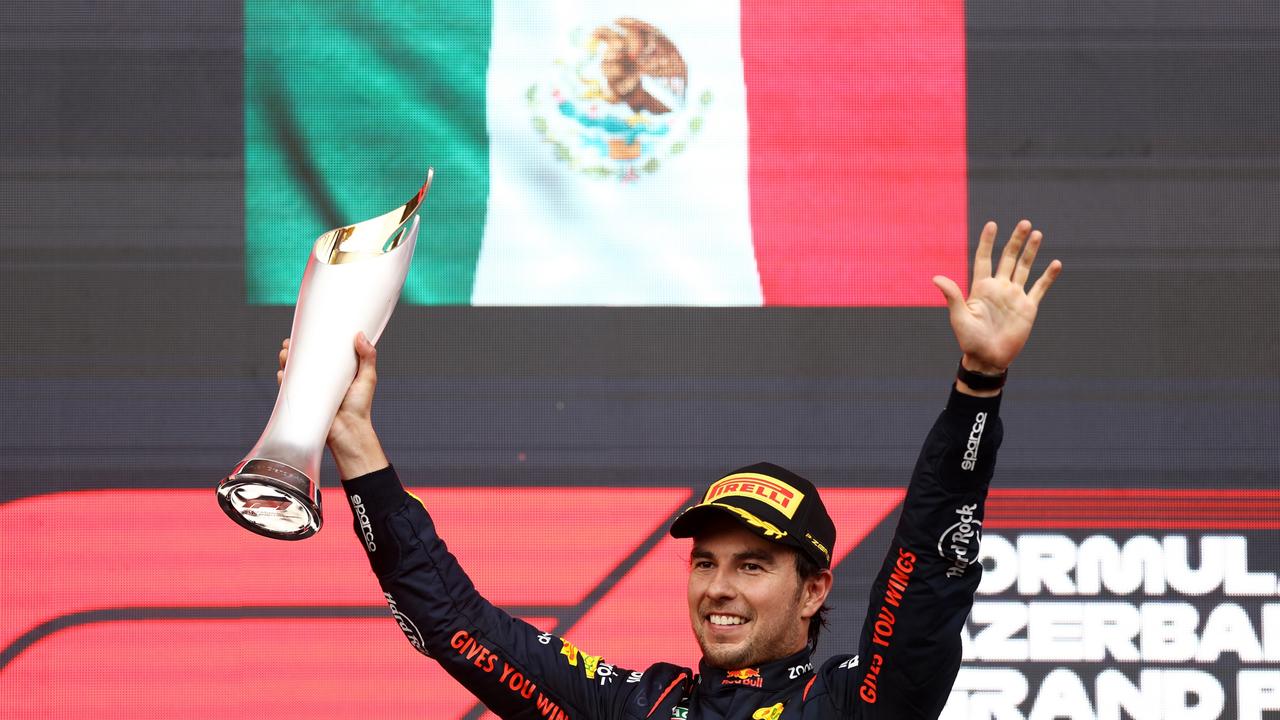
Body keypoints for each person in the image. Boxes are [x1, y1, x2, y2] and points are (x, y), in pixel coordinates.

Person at [280, 220, 1062, 719]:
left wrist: (977, 391)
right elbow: (457, 626)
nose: (718, 587)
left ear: (816, 586)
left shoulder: (853, 706)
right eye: (706, 562)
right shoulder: (640, 706)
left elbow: (924, 576)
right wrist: (356, 446)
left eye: (753, 565)